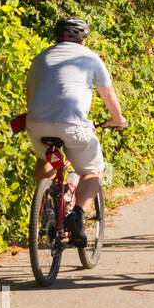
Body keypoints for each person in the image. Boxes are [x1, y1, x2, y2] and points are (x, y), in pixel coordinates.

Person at [24, 17, 128, 247]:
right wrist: (117, 119)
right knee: (93, 172)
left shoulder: (42, 57)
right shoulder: (89, 57)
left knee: (44, 158)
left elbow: (30, 94)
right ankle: (77, 217)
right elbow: (108, 94)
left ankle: (46, 207)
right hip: (73, 124)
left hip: (36, 122)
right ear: (83, 39)